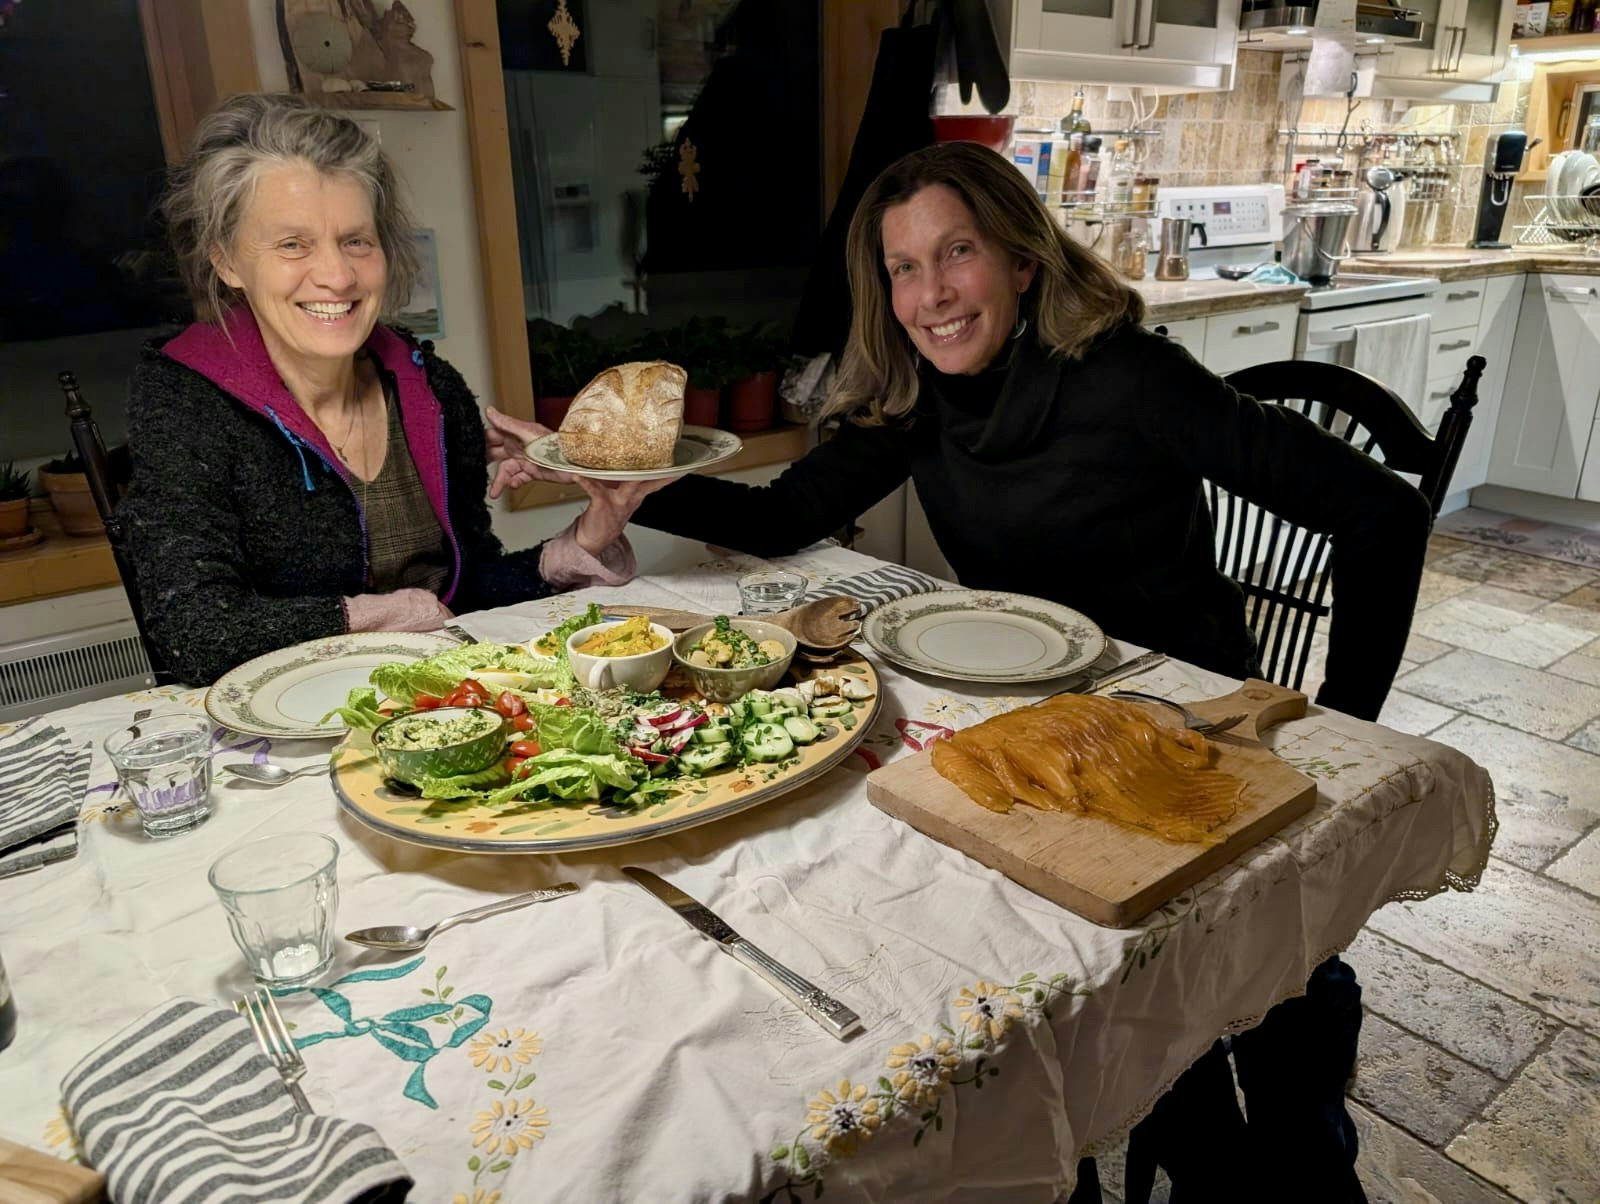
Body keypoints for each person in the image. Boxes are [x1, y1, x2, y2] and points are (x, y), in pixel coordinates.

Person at [490, 142, 1432, 1201]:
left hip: (1188, 725)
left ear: (1022, 259)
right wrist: (608, 471)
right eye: (903, 267)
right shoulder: (918, 395)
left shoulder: (1130, 376)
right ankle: (1189, 1131)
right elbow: (784, 517)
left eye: (957, 252)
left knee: (1276, 985)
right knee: (1096, 980)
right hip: (1041, 732)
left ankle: (1302, 1152)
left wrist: (1350, 723)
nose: (930, 294)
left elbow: (1382, 514)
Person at [118, 94, 666, 685]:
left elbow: (465, 591)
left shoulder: (428, 388)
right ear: (226, 261)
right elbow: (193, 631)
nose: (337, 276)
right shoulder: (186, 398)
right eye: (293, 244)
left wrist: (582, 542)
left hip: (435, 706)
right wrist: (372, 616)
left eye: (356, 240)